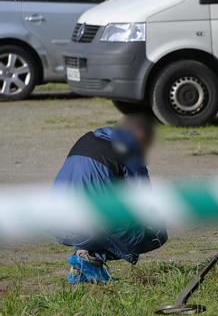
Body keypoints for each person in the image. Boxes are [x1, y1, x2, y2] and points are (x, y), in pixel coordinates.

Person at [54, 114, 166, 284]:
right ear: (141, 137)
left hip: (55, 221)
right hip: (87, 224)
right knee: (157, 233)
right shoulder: (131, 151)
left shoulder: (87, 139)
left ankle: (83, 263)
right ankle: (90, 259)